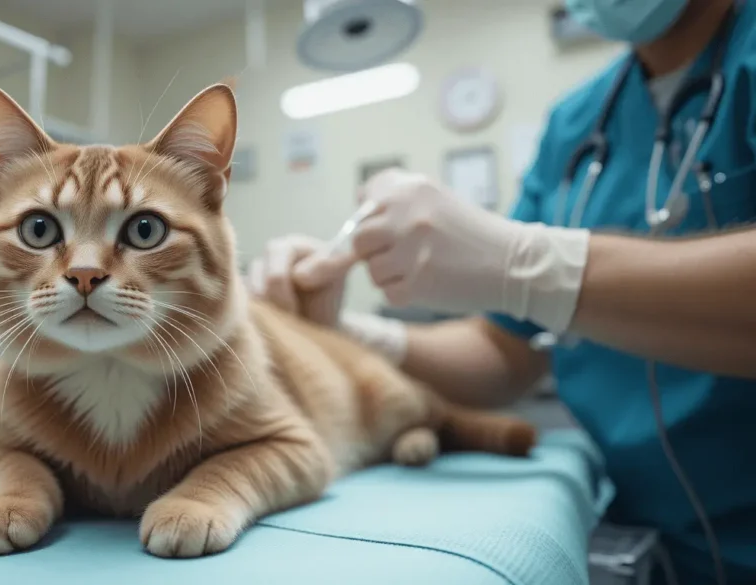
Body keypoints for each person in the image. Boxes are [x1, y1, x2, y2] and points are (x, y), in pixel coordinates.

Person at [247, 0, 756, 583]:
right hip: (648, 534)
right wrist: (346, 334)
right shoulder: (575, 126)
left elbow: (530, 280)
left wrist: (525, 263)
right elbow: (503, 351)